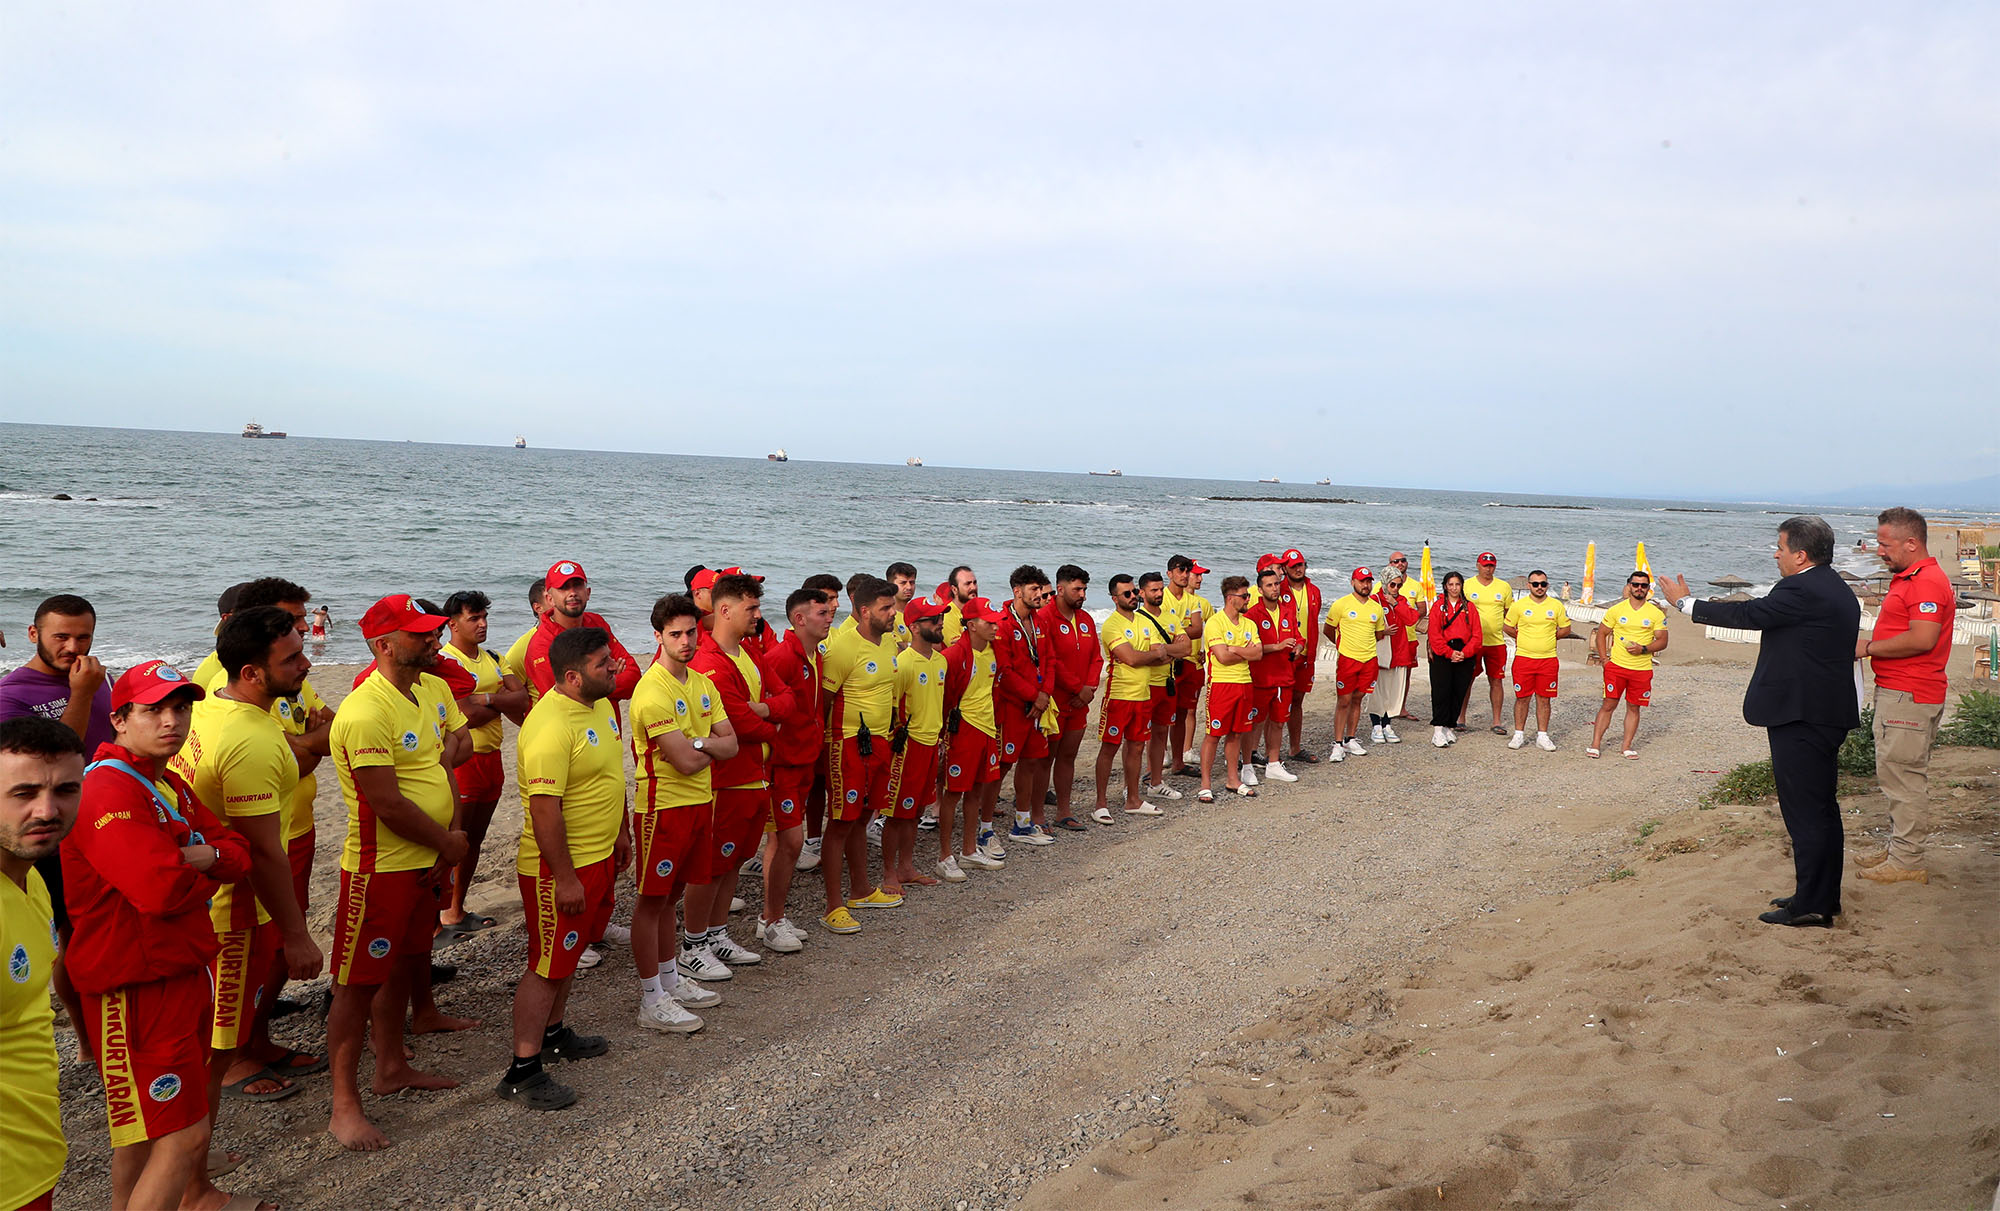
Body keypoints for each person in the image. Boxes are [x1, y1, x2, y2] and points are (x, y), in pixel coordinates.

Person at [63, 662, 257, 1211]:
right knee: (183, 1136)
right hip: (135, 983)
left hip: (177, 968)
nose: (172, 721)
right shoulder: (108, 789)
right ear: (120, 720)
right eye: (154, 710)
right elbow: (161, 891)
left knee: (143, 1134)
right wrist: (204, 865)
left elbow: (235, 852)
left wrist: (207, 857)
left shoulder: (165, 780)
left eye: (181, 708)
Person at [325, 595, 476, 1149]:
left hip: (430, 858)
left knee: (403, 963)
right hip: (380, 867)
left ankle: (390, 1066)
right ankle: (345, 1104)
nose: (434, 639)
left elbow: (449, 760)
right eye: (420, 634)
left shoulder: (432, 688)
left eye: (434, 630)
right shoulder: (366, 709)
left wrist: (448, 842)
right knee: (357, 983)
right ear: (385, 645)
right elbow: (386, 802)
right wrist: (448, 841)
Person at [1659, 517, 1860, 927]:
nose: (1776, 553)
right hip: (1823, 712)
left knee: (1805, 812)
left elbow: (1750, 614)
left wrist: (1686, 604)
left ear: (1800, 555)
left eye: (1781, 547)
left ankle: (1812, 906)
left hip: (1802, 715)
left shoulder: (1801, 588)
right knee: (1822, 809)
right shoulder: (1835, 586)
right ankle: (1821, 894)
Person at [169, 606, 326, 1119]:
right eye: (292, 658)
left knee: (223, 1023)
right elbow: (261, 850)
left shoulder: (213, 706)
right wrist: (296, 932)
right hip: (233, 907)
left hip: (210, 892)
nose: (305, 663)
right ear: (252, 674)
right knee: (216, 1043)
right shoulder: (250, 738)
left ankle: (192, 1163)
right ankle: (192, 1179)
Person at [502, 626, 630, 1109]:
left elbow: (610, 775)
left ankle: (554, 1035)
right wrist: (566, 877)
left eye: (611, 659)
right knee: (546, 966)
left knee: (567, 956)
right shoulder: (549, 726)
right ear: (573, 676)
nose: (614, 668)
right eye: (604, 663)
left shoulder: (598, 706)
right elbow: (544, 810)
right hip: (558, 868)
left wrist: (621, 833)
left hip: (597, 856)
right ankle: (522, 1069)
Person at [0, 593, 110, 1066]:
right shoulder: (13, 692)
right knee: (69, 933)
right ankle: (86, 1043)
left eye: (82, 636)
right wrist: (81, 693)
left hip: (98, 821)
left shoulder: (94, 677)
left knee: (97, 929)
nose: (72, 646)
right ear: (33, 634)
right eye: (60, 636)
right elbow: (40, 767)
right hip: (46, 827)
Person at [628, 594, 735, 1033]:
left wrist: (695, 743)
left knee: (671, 898)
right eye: (676, 634)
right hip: (662, 806)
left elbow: (732, 745)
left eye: (692, 632)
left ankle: (671, 980)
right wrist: (703, 744)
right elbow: (692, 759)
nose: (686, 641)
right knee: (651, 901)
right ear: (658, 637)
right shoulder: (652, 690)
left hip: (698, 803)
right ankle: (651, 997)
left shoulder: (702, 683)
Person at [687, 573, 793, 975]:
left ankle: (717, 934)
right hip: (725, 778)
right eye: (751, 608)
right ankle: (693, 943)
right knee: (712, 864)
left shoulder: (749, 652)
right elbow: (738, 723)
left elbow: (787, 698)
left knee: (733, 861)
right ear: (725, 610)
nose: (758, 615)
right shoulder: (709, 661)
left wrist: (764, 709)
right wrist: (771, 721)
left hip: (755, 774)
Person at [0, 717, 84, 1211]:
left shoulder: (29, 877)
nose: (47, 810)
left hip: (32, 1154)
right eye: (23, 792)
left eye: (66, 790)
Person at [1853, 506, 1956, 886]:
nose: (1879, 551)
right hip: (1904, 692)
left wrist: (1868, 647)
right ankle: (1900, 847)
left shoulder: (1926, 582)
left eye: (1885, 544)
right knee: (1896, 773)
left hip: (1910, 693)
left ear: (1911, 543)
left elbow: (1923, 638)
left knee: (1904, 778)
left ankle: (1907, 859)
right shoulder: (1912, 576)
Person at [437, 590, 532, 937]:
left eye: (484, 617)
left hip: (492, 758)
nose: (482, 624)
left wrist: (488, 699)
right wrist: (499, 704)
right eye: (473, 618)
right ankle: (442, 916)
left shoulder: (493, 657)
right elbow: (467, 715)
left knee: (475, 839)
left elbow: (521, 698)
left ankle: (455, 909)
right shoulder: (446, 660)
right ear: (452, 624)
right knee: (455, 839)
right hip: (464, 760)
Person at [818, 576, 902, 934]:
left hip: (880, 742)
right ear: (865, 611)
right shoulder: (843, 648)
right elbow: (822, 702)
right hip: (847, 744)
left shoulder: (889, 645)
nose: (893, 614)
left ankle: (860, 890)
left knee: (862, 816)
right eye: (886, 608)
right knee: (839, 822)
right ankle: (833, 905)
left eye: (894, 607)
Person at [755, 587, 832, 949]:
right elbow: (763, 705)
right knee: (789, 841)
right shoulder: (782, 656)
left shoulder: (813, 654)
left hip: (803, 760)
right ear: (799, 619)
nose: (831, 615)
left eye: (831, 610)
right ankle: (770, 920)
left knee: (783, 843)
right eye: (822, 612)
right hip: (783, 764)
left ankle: (772, 916)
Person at [1094, 575, 1189, 820]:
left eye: (1134, 591)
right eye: (1127, 594)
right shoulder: (1112, 624)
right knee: (1110, 747)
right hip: (1120, 694)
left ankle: (1133, 799)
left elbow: (1163, 652)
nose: (1133, 596)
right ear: (1115, 599)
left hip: (1143, 693)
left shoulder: (1142, 621)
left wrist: (1154, 653)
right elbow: (1132, 658)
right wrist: (1154, 654)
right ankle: (1100, 803)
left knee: (1136, 747)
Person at [941, 595, 1011, 865]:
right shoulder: (954, 654)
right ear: (971, 625)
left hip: (987, 728)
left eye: (997, 622)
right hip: (963, 730)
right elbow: (945, 698)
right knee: (953, 792)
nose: (995, 627)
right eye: (989, 623)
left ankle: (969, 850)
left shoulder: (995, 650)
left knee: (976, 791)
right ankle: (945, 855)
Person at [995, 566, 1058, 846]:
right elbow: (1004, 671)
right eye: (1033, 589)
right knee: (1002, 766)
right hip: (1013, 707)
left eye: (1041, 589)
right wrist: (1034, 695)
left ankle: (1022, 823)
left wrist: (1043, 695)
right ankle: (984, 827)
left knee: (1032, 761)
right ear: (1017, 591)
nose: (1039, 595)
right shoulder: (1003, 623)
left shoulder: (1040, 621)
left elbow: (1050, 661)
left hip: (1038, 705)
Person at [889, 597, 951, 882]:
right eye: (933, 620)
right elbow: (892, 709)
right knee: (896, 812)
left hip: (931, 743)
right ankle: (890, 874)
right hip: (909, 745)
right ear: (914, 627)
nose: (940, 623)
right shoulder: (903, 663)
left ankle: (906, 867)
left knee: (915, 811)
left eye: (940, 618)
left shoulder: (940, 661)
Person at [525, 560, 642, 708]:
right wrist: (612, 676)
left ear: (588, 593)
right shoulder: (541, 644)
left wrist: (591, 683)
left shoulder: (596, 622)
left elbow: (633, 676)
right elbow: (567, 699)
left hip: (609, 726)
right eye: (563, 588)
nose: (572, 593)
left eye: (577, 586)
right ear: (550, 598)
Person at [1036, 565, 1101, 831]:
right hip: (1054, 701)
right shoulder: (1045, 617)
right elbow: (1051, 660)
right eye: (1077, 589)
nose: (1082, 594)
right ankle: (1036, 814)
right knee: (1044, 758)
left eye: (1084, 589)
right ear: (1060, 589)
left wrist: (1090, 688)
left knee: (1068, 756)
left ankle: (1064, 811)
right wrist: (1078, 688)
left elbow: (1096, 658)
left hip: (1080, 703)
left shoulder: (1084, 619)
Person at [1588, 571, 1669, 759]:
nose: (1639, 588)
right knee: (1608, 704)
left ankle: (1626, 746)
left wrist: (1643, 648)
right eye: (1636, 584)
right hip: (1616, 667)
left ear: (1648, 589)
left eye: (1643, 585)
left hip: (1641, 669)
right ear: (1629, 586)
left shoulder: (1655, 613)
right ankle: (1595, 744)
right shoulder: (1617, 610)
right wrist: (1604, 660)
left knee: (1634, 707)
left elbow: (1663, 641)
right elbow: (1602, 634)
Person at [1196, 577, 1261, 801]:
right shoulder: (1216, 622)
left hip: (1244, 683)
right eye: (1244, 596)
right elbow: (1222, 657)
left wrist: (1234, 648)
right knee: (1214, 734)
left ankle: (1233, 779)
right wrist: (1243, 650)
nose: (1248, 600)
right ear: (1231, 598)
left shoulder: (1249, 623)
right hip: (1221, 685)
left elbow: (1258, 654)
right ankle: (1205, 783)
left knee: (1236, 733)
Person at [1245, 561, 1306, 779]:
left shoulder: (1288, 611)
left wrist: (1298, 647)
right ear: (1260, 590)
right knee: (1255, 721)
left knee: (1279, 721)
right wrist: (1277, 647)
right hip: (1261, 677)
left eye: (1277, 584)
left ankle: (1273, 764)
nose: (1275, 588)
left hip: (1285, 676)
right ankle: (1246, 765)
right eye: (1269, 585)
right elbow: (1251, 648)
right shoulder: (1252, 614)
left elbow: (1299, 637)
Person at [1133, 572, 1189, 802]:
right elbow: (1148, 654)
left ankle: (1156, 782)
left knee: (1160, 734)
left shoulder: (1171, 618)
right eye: (1153, 590)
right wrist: (1165, 650)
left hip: (1167, 684)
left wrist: (1163, 651)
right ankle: (1132, 787)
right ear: (1142, 592)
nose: (1158, 594)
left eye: (1160, 589)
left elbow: (1186, 648)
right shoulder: (1137, 618)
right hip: (1145, 684)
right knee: (1136, 739)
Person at [1503, 571, 1572, 752]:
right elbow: (1508, 626)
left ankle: (1543, 735)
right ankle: (1519, 734)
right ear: (1529, 585)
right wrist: (1523, 637)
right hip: (1524, 659)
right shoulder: (1519, 606)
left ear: (1547, 585)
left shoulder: (1556, 606)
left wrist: (1550, 637)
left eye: (1543, 584)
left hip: (1548, 660)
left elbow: (1565, 629)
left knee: (1544, 698)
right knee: (1522, 698)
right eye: (1535, 584)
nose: (1539, 587)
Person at [1323, 568, 1389, 756]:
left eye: (1368, 581)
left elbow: (1378, 634)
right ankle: (1337, 743)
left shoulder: (1376, 607)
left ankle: (1350, 739)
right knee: (1344, 700)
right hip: (1347, 659)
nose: (1365, 585)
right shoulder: (1341, 604)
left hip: (1369, 660)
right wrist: (1341, 645)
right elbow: (1328, 629)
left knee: (1358, 698)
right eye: (1361, 581)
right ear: (1353, 582)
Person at [1160, 556, 1213, 774]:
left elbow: (1198, 629)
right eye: (1182, 570)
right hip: (1167, 664)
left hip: (1190, 662)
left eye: (1188, 570)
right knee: (1163, 715)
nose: (1186, 574)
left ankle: (1179, 761)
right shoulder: (1160, 596)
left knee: (1183, 713)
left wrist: (1175, 632)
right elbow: (1159, 631)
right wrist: (1183, 630)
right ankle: (1159, 759)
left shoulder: (1195, 601)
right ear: (1170, 573)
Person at [1366, 567, 1423, 743]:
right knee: (1378, 691)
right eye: (1393, 585)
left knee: (1393, 691)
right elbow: (1368, 626)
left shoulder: (1402, 600)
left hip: (1399, 651)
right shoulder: (1374, 600)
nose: (1396, 589)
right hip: (1381, 652)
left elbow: (1412, 619)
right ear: (1385, 583)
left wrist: (1396, 604)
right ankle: (1376, 726)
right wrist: (1382, 631)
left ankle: (1387, 724)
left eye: (1399, 585)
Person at [1278, 550, 1325, 764]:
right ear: (1285, 567)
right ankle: (1269, 752)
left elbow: (1314, 623)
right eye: (1294, 565)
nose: (1299, 569)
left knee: (1297, 701)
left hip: (1306, 655)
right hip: (1285, 655)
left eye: (1301, 565)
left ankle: (1294, 748)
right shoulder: (1278, 589)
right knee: (1278, 702)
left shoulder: (1313, 590)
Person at [1427, 573, 1481, 748]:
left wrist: (1465, 653)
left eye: (1457, 584)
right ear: (1445, 586)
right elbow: (1434, 635)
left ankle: (1450, 725)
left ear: (1462, 586)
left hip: (1464, 653)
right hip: (1443, 653)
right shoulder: (1437, 607)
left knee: (1459, 691)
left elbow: (1477, 635)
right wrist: (1448, 652)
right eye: (1450, 584)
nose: (1454, 588)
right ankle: (1437, 729)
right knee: (1441, 690)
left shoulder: (1470, 607)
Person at [1463, 553, 1513, 734]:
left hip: (1496, 642)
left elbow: (1510, 613)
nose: (1488, 568)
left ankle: (1496, 721)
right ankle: (1461, 718)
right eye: (1485, 565)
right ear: (1477, 565)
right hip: (1471, 642)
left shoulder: (1504, 587)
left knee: (1497, 680)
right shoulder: (1467, 585)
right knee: (1466, 680)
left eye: (1491, 565)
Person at [501, 579, 548, 700]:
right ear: (538, 607)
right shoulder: (524, 647)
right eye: (550, 598)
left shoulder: (576, 636)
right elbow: (506, 693)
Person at [936, 566, 977, 645]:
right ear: (954, 589)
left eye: (974, 583)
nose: (973, 587)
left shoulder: (980, 610)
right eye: (967, 584)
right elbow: (958, 648)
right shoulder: (948, 615)